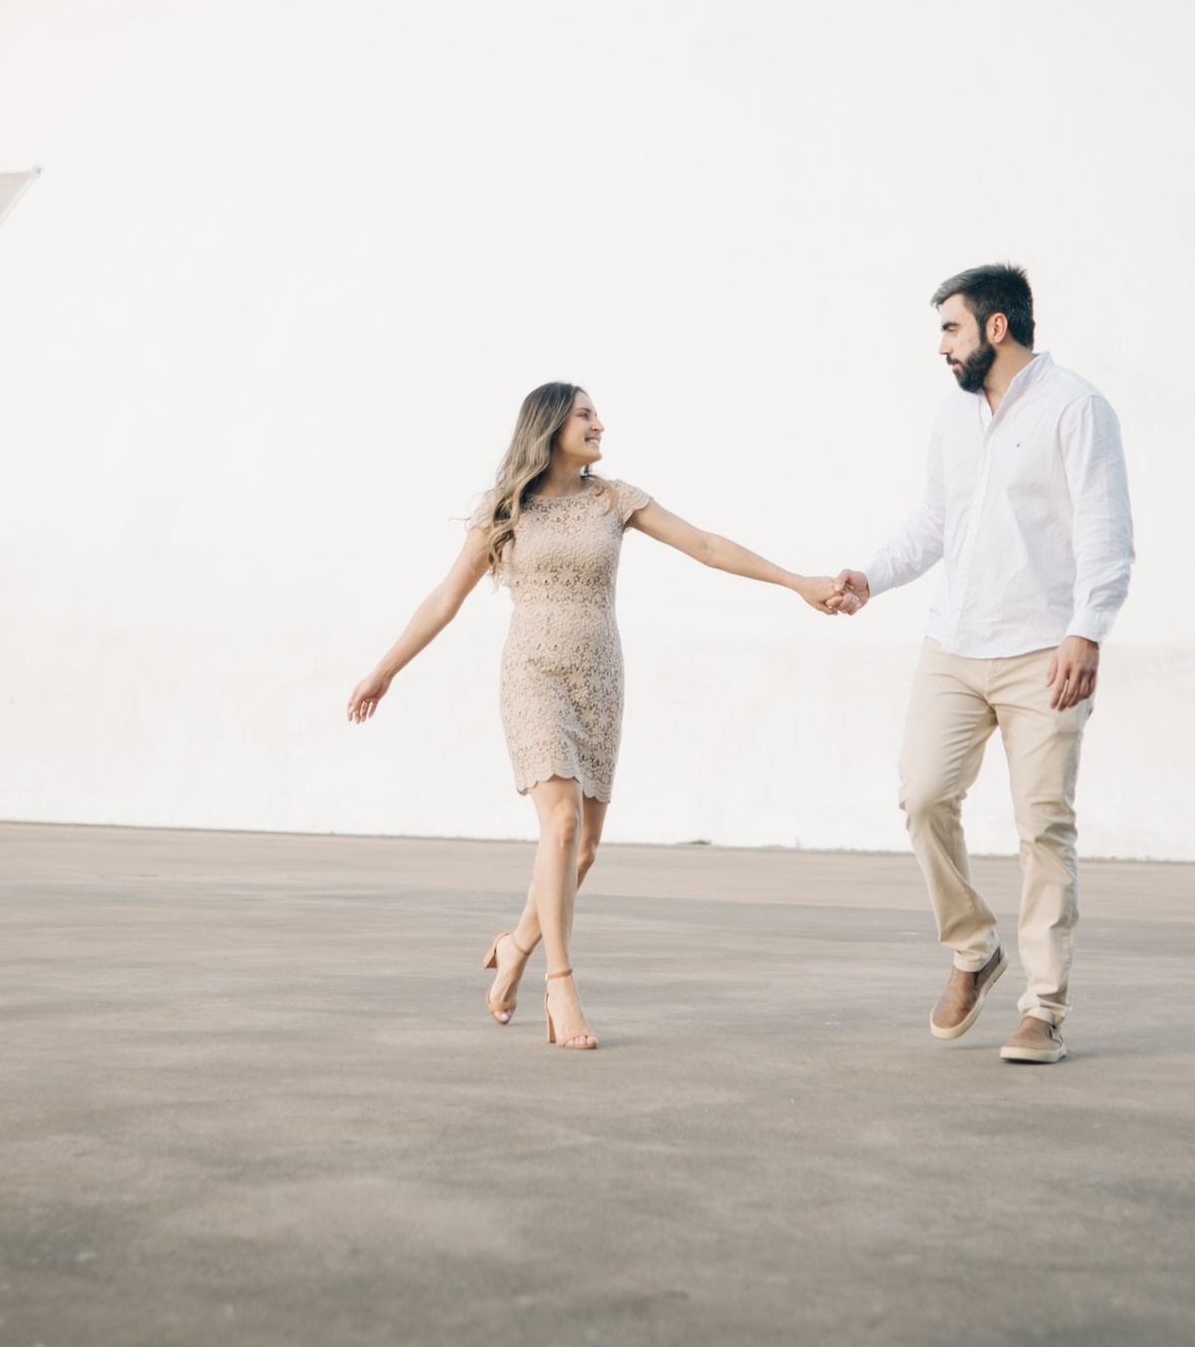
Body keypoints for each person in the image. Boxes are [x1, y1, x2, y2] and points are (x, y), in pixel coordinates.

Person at [349, 382, 842, 1049]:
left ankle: (516, 945)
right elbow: (445, 598)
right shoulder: (505, 508)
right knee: (559, 823)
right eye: (585, 415)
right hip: (533, 675)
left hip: (600, 682)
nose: (599, 424)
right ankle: (561, 986)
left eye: (596, 415)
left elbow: (705, 546)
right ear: (551, 426)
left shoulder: (615, 500)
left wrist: (798, 583)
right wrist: (385, 669)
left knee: (580, 851)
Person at [829, 265, 1133, 1064]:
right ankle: (973, 948)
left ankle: (1044, 1009)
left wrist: (1087, 631)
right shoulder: (954, 416)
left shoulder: (1077, 408)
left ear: (997, 328)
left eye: (951, 328)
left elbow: (1105, 532)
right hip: (954, 647)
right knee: (923, 796)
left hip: (1046, 654)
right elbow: (936, 522)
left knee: (1044, 828)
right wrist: (871, 577)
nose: (941, 347)